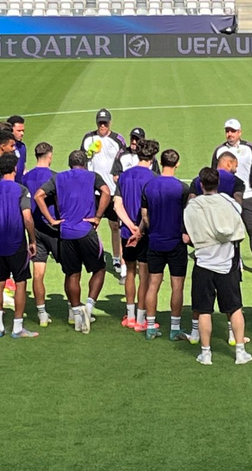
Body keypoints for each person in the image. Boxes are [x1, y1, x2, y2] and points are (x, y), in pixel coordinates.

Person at [34, 150, 112, 333]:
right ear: (85, 163)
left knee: (72, 274)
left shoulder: (58, 178)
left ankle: (77, 315)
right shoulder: (92, 176)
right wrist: (98, 216)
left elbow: (38, 196)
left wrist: (52, 220)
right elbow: (106, 192)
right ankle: (89, 308)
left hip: (66, 233)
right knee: (99, 268)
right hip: (86, 230)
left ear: (70, 164)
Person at [183, 167, 252, 366]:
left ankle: (206, 354)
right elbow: (237, 223)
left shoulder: (193, 206)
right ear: (218, 183)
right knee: (235, 308)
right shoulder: (229, 202)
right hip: (226, 263)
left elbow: (190, 234)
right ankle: (240, 352)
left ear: (201, 185)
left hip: (203, 264)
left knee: (204, 310)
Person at [0, 153, 39, 339]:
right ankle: (17, 328)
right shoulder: (21, 190)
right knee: (20, 284)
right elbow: (27, 218)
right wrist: (32, 240)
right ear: (15, 168)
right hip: (17, 244)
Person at [142, 149, 192, 341]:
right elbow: (188, 214)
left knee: (153, 284)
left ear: (160, 162)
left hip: (155, 241)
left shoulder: (149, 186)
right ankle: (175, 329)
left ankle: (150, 327)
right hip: (176, 243)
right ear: (177, 164)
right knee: (177, 286)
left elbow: (145, 216)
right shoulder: (182, 188)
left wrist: (153, 228)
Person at [113, 138, 160, 333]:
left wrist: (130, 226)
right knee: (145, 274)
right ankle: (141, 318)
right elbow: (149, 209)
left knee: (130, 271)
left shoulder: (124, 176)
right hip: (145, 233)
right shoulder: (154, 178)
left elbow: (117, 205)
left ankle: (130, 316)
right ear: (153, 157)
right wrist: (139, 229)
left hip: (127, 232)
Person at [211, 118, 252, 278]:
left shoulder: (250, 149)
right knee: (232, 232)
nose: (230, 134)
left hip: (248, 196)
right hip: (228, 199)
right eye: (227, 131)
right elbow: (214, 174)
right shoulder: (219, 151)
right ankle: (237, 263)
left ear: (239, 132)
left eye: (233, 131)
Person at [80, 109, 128, 282]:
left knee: (116, 226)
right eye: (100, 123)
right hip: (93, 191)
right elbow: (80, 161)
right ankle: (96, 257)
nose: (102, 126)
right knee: (93, 225)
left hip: (113, 191)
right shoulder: (88, 138)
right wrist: (88, 154)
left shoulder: (118, 140)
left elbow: (124, 161)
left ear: (110, 123)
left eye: (105, 123)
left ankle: (117, 260)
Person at [22, 142, 59, 327]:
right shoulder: (55, 177)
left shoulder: (25, 178)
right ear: (49, 156)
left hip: (34, 230)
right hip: (54, 230)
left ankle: (42, 313)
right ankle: (72, 311)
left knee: (38, 274)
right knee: (71, 271)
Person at [6, 115, 27, 181]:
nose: (22, 133)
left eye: (23, 131)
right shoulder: (4, 148)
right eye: (19, 131)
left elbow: (23, 165)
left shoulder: (22, 146)